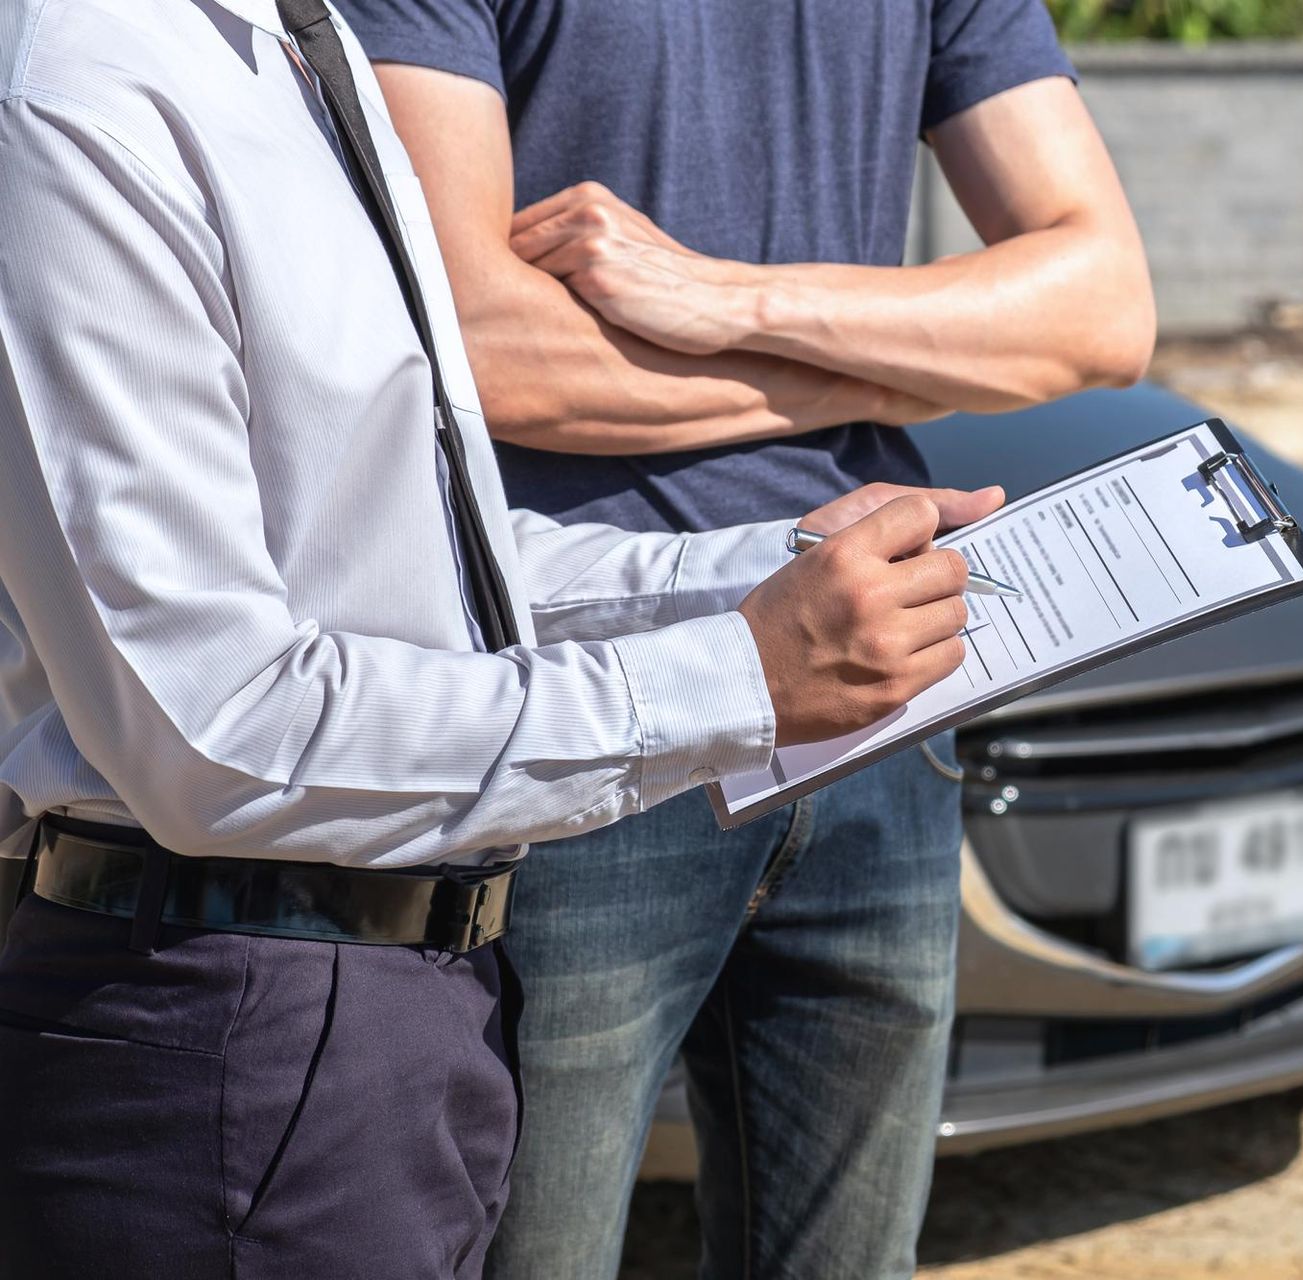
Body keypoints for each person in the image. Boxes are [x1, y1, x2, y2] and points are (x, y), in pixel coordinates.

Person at [0, 1, 996, 1275]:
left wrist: (759, 575)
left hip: (402, 1010)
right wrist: (740, 672)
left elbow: (419, 571)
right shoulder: (77, 85)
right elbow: (219, 730)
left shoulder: (297, 43)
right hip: (226, 1018)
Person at [332, 0, 1156, 1274]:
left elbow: (1098, 311)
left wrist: (725, 298)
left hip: (888, 682)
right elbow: (479, 349)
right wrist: (909, 360)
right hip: (588, 693)